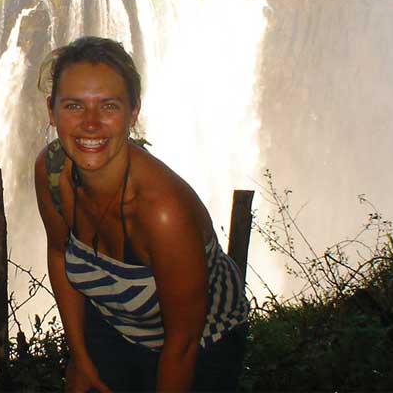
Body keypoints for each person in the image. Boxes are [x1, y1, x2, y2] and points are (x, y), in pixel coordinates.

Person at [33, 36, 249, 392]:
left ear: (133, 112)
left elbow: (182, 344)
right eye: (73, 106)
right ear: (51, 110)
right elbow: (59, 252)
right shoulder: (53, 172)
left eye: (108, 106)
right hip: (114, 323)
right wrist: (81, 359)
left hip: (201, 344)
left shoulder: (163, 212)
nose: (90, 123)